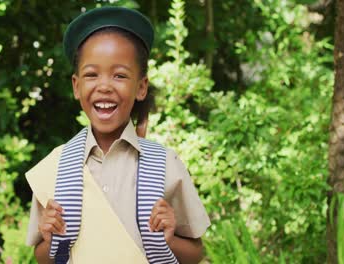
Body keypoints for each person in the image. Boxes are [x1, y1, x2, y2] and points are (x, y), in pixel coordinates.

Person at [25, 6, 210, 264]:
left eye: (120, 75)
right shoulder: (55, 168)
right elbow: (43, 258)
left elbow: (196, 253)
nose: (104, 86)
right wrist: (50, 236)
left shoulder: (165, 165)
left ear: (141, 87)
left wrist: (168, 239)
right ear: (76, 87)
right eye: (91, 74)